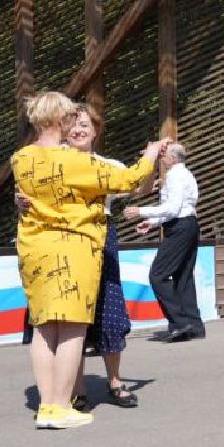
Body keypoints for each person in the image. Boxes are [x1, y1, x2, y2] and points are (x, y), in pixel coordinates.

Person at [12, 92, 165, 430]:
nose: (74, 125)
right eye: (70, 118)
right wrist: (152, 154)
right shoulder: (78, 163)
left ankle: (47, 406)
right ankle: (62, 407)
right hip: (74, 250)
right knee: (71, 329)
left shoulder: (20, 158)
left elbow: (29, 195)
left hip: (35, 249)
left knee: (43, 329)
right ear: (60, 120)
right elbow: (128, 179)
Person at [68, 106, 150, 408]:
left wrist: (149, 162)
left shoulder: (107, 164)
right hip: (69, 238)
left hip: (103, 235)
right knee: (74, 315)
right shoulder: (54, 162)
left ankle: (115, 381)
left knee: (110, 307)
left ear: (95, 130)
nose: (78, 130)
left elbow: (141, 186)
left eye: (85, 125)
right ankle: (78, 389)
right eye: (73, 125)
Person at [126, 142, 204, 343]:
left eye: (165, 154)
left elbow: (172, 208)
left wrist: (140, 211)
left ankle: (179, 322)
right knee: (183, 277)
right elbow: (177, 208)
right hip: (188, 224)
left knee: (158, 275)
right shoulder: (186, 174)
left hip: (179, 227)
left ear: (174, 158)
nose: (162, 157)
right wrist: (152, 223)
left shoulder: (175, 176)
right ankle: (194, 325)